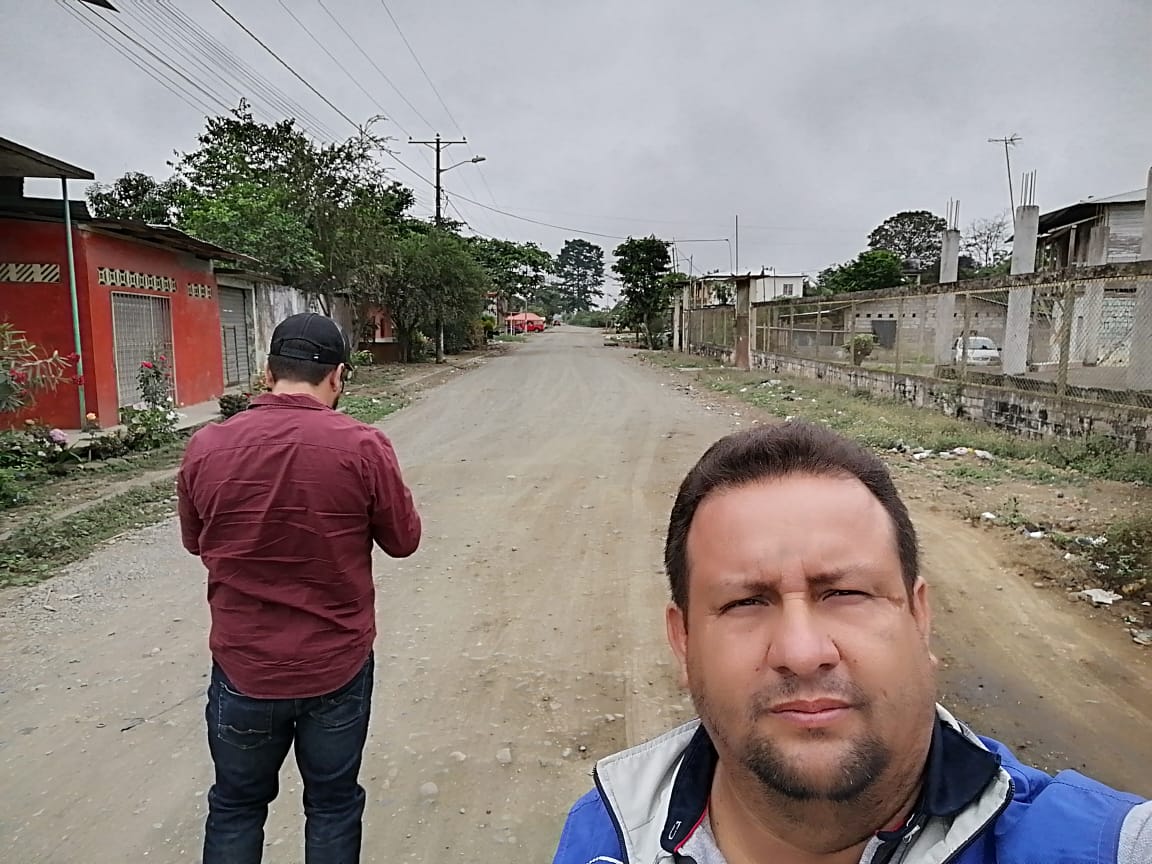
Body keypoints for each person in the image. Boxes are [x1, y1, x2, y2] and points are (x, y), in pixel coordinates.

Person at [552, 421, 1149, 864]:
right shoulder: (606, 836)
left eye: (845, 593)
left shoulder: (1102, 845)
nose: (802, 651)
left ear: (919, 618)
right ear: (683, 642)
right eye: (745, 602)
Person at [178, 312, 422, 864]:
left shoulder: (206, 446)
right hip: (336, 665)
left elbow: (195, 542)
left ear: (268, 374)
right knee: (332, 806)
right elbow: (403, 541)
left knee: (236, 806)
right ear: (338, 376)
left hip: (245, 667)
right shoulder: (363, 446)